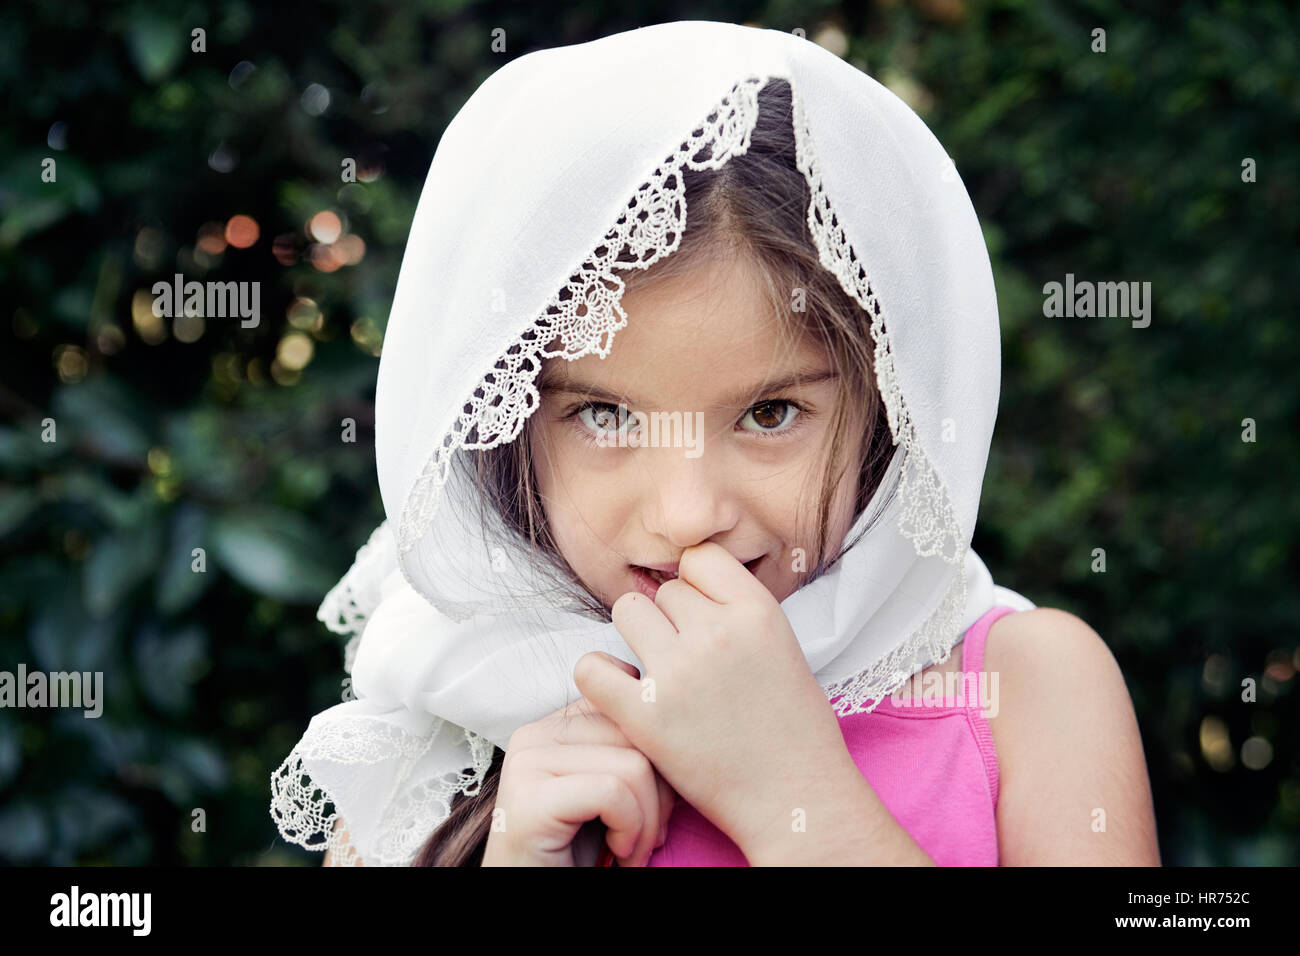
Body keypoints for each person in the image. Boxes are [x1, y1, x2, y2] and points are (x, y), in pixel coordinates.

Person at [270, 20, 1160, 867]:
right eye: (604, 416)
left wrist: (792, 797)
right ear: (507, 430)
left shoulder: (1025, 688)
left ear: (884, 412)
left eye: (770, 414)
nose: (689, 516)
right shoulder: (446, 719)